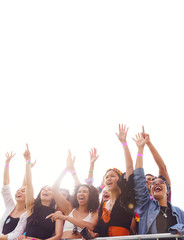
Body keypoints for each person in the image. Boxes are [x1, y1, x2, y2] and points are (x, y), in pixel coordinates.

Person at [133, 133, 184, 236]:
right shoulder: (145, 206)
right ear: (150, 191)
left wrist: (179, 228)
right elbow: (138, 176)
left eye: (160, 182)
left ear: (168, 191)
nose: (156, 183)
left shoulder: (179, 212)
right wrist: (140, 149)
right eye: (153, 183)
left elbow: (163, 168)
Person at [91, 124, 136, 238]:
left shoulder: (126, 197)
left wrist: (124, 143)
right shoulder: (103, 205)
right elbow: (100, 229)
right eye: (106, 177)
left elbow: (130, 168)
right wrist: (95, 234)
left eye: (112, 176)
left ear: (120, 180)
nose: (108, 179)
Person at [48, 151, 99, 239]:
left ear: (91, 196)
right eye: (79, 192)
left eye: (85, 192)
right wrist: (66, 169)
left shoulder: (94, 213)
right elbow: (55, 189)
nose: (81, 194)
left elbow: (91, 227)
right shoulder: (69, 209)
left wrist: (66, 218)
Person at [20, 144, 63, 240]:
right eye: (43, 189)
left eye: (49, 189)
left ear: (54, 196)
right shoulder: (32, 206)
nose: (45, 190)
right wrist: (27, 161)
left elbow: (58, 236)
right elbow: (29, 184)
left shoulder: (57, 213)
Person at [0, 152, 27, 240]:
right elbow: (5, 186)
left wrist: (28, 165)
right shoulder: (10, 206)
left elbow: (16, 234)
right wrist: (7, 164)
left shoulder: (27, 213)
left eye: (22, 191)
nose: (18, 192)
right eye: (17, 191)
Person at [141, 126, 171, 201]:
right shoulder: (139, 202)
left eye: (150, 179)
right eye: (144, 180)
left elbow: (162, 168)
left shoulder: (163, 196)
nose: (147, 181)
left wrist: (148, 143)